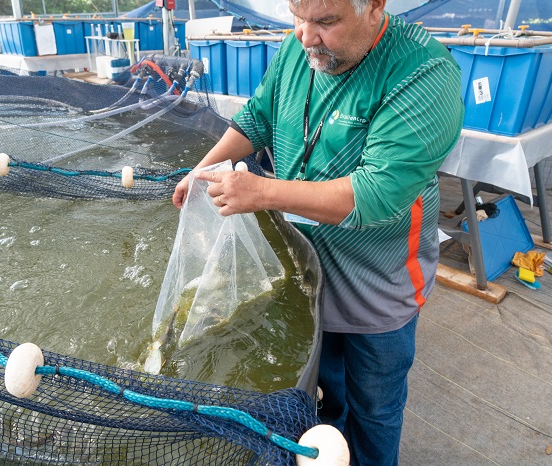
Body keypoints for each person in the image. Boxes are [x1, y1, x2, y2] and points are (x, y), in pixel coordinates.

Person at [173, 0, 464, 464]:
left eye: (326, 21)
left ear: (374, 6)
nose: (306, 37)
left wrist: (262, 192)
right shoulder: (297, 48)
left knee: (375, 408)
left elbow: (376, 193)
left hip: (377, 286)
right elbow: (258, 118)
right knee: (321, 398)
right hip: (304, 272)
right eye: (297, 16)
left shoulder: (424, 74)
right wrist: (203, 168)